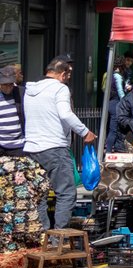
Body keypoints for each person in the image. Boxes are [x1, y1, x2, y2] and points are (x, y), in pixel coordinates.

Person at [23, 57, 96, 230]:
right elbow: (65, 114)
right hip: (54, 147)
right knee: (66, 193)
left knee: (38, 195)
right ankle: (58, 239)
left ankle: (42, 236)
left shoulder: (30, 90)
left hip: (32, 148)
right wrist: (85, 131)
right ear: (63, 74)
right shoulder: (60, 89)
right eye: (68, 76)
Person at [0, 66, 25, 156]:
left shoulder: (20, 93)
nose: (8, 87)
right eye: (5, 84)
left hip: (19, 145)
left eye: (10, 84)